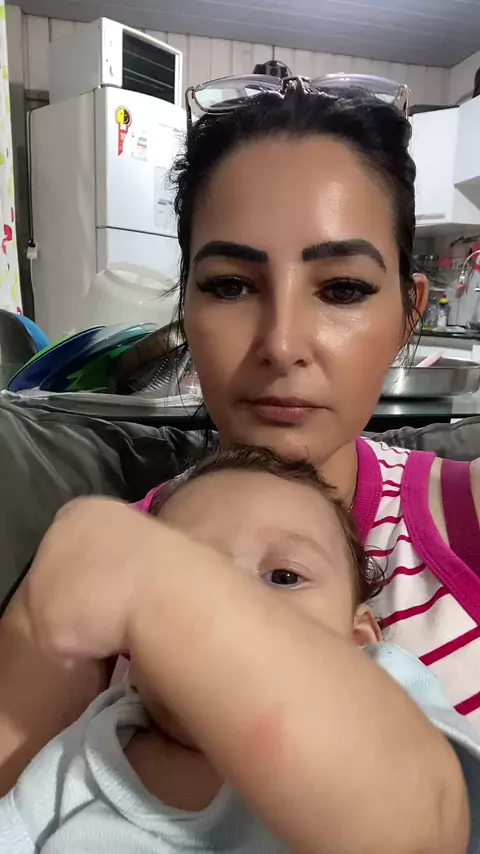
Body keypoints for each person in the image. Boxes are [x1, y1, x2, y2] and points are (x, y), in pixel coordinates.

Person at [2, 75, 480, 790]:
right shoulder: (93, 572)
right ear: (184, 309)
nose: (282, 345)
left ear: (408, 314)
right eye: (230, 285)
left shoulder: (466, 516)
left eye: (342, 288)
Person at [0, 446, 477, 854]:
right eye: (187, 573)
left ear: (360, 642)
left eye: (284, 576)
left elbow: (421, 825)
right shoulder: (86, 750)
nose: (230, 599)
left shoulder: (384, 699)